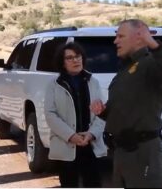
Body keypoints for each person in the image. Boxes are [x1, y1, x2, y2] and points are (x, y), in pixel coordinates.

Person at [91, 19, 162, 187]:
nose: (115, 41)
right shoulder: (126, 68)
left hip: (143, 152)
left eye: (120, 36)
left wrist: (152, 43)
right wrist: (103, 111)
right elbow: (126, 107)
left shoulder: (150, 63)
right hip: (122, 152)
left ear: (139, 37)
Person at [44, 42, 107, 188]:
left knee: (93, 183)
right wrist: (71, 136)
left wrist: (91, 134)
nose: (75, 60)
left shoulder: (93, 82)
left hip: (90, 144)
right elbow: (50, 114)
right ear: (62, 63)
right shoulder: (54, 84)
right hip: (67, 144)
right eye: (70, 58)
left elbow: (102, 113)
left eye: (78, 56)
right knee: (69, 183)